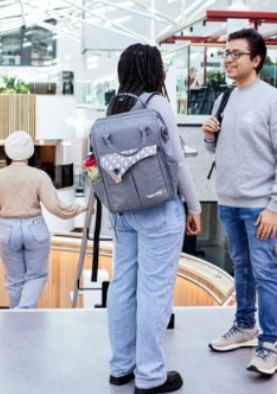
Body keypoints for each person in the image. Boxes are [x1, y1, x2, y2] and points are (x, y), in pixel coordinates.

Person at [201, 28, 277, 376]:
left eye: (236, 54)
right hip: (228, 201)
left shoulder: (275, 100)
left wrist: (275, 205)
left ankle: (270, 345)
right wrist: (210, 137)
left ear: (256, 60)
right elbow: (222, 152)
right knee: (241, 268)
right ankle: (245, 327)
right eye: (226, 53)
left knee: (265, 272)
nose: (228, 59)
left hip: (261, 205)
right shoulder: (224, 100)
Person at [106, 43, 202, 394]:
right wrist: (194, 206)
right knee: (155, 291)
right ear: (155, 71)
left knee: (123, 286)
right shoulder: (157, 103)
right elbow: (176, 161)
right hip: (159, 209)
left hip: (124, 210)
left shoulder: (115, 103)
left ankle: (121, 367)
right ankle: (150, 375)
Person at [0, 131, 87, 309]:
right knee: (36, 277)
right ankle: (23, 312)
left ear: (8, 152)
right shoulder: (39, 176)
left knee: (14, 281)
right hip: (34, 228)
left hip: (7, 229)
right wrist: (81, 207)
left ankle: (17, 319)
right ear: (31, 152)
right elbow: (56, 207)